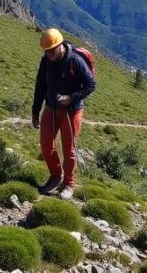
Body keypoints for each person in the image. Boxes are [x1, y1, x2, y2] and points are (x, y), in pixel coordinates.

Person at [31, 28, 96, 199]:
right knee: (46, 145)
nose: (49, 55)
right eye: (46, 51)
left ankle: (68, 184)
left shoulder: (75, 61)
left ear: (60, 46)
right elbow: (40, 86)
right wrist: (35, 111)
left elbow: (90, 85)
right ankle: (55, 176)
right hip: (51, 108)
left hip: (71, 111)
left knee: (69, 150)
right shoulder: (46, 60)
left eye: (52, 51)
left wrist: (71, 98)